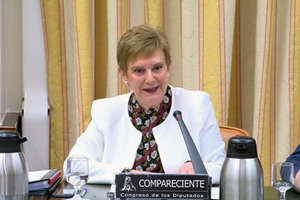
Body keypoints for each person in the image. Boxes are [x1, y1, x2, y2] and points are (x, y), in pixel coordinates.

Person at [63, 24, 226, 184]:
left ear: (168, 67)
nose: (150, 79)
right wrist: (124, 175)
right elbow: (73, 167)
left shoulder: (197, 105)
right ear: (123, 74)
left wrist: (196, 167)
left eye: (157, 68)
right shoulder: (107, 111)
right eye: (139, 71)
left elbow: (221, 168)